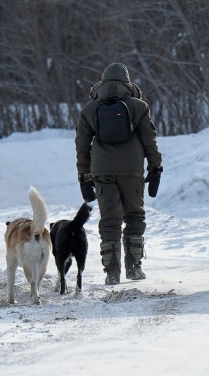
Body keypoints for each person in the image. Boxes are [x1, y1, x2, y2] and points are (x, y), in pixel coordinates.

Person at [75, 63, 162, 285]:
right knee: (134, 215)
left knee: (109, 220)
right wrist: (155, 168)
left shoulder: (89, 109)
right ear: (127, 82)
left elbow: (82, 146)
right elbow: (149, 140)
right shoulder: (138, 107)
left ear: (102, 82)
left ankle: (112, 272)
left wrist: (84, 176)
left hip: (102, 171)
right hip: (132, 170)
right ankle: (134, 268)